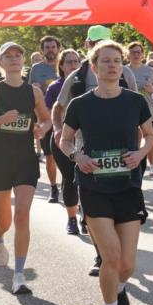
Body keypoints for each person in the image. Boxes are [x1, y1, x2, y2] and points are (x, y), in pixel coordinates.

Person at [59, 40, 153, 305]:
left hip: (127, 186)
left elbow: (150, 136)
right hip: (94, 186)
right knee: (110, 256)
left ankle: (121, 287)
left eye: (116, 61)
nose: (112, 66)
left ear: (122, 66)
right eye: (105, 61)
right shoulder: (81, 104)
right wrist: (79, 157)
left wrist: (140, 154)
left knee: (127, 263)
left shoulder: (135, 101)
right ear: (95, 67)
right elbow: (64, 140)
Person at [54, 25, 138, 276]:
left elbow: (136, 107)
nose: (98, 47)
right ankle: (100, 254)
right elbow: (59, 106)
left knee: (121, 211)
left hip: (123, 151)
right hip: (87, 147)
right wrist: (61, 133)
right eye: (94, 43)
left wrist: (141, 150)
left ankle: (117, 260)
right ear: (89, 46)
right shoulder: (78, 74)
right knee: (92, 208)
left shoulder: (125, 74)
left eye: (103, 42)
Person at [0, 41, 52, 295]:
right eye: (8, 56)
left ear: (23, 61)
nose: (14, 59)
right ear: (1, 62)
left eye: (18, 55)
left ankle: (19, 275)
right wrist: (2, 119)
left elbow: (47, 119)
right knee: (5, 222)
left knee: (21, 215)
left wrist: (42, 128)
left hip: (25, 160)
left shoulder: (34, 92)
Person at [46, 49, 83, 234]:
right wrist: (58, 129)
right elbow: (54, 109)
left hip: (85, 138)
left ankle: (87, 214)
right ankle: (72, 219)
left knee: (86, 178)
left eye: (76, 61)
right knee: (70, 178)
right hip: (63, 139)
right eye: (69, 62)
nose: (73, 65)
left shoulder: (85, 82)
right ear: (61, 65)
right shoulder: (56, 87)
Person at [124, 41, 153, 177]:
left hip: (148, 109)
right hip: (128, 110)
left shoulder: (150, 71)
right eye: (133, 52)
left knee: (149, 136)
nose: (136, 55)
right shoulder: (122, 70)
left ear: (143, 55)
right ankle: (131, 163)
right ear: (127, 55)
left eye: (138, 52)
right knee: (134, 138)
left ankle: (152, 165)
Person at [30, 36, 62, 198]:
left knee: (70, 154)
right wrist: (34, 88)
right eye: (47, 47)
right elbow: (31, 93)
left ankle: (70, 185)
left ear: (58, 49)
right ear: (43, 50)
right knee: (50, 156)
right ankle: (53, 187)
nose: (50, 50)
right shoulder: (36, 69)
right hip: (45, 117)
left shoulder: (63, 65)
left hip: (66, 116)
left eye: (53, 47)